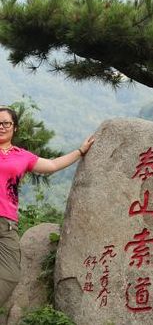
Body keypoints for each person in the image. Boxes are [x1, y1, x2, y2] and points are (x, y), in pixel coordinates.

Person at [0, 106, 94, 306]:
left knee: (10, 275)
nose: (1, 127)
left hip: (7, 224)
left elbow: (51, 166)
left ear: (14, 128)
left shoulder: (22, 156)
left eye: (6, 123)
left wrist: (80, 151)